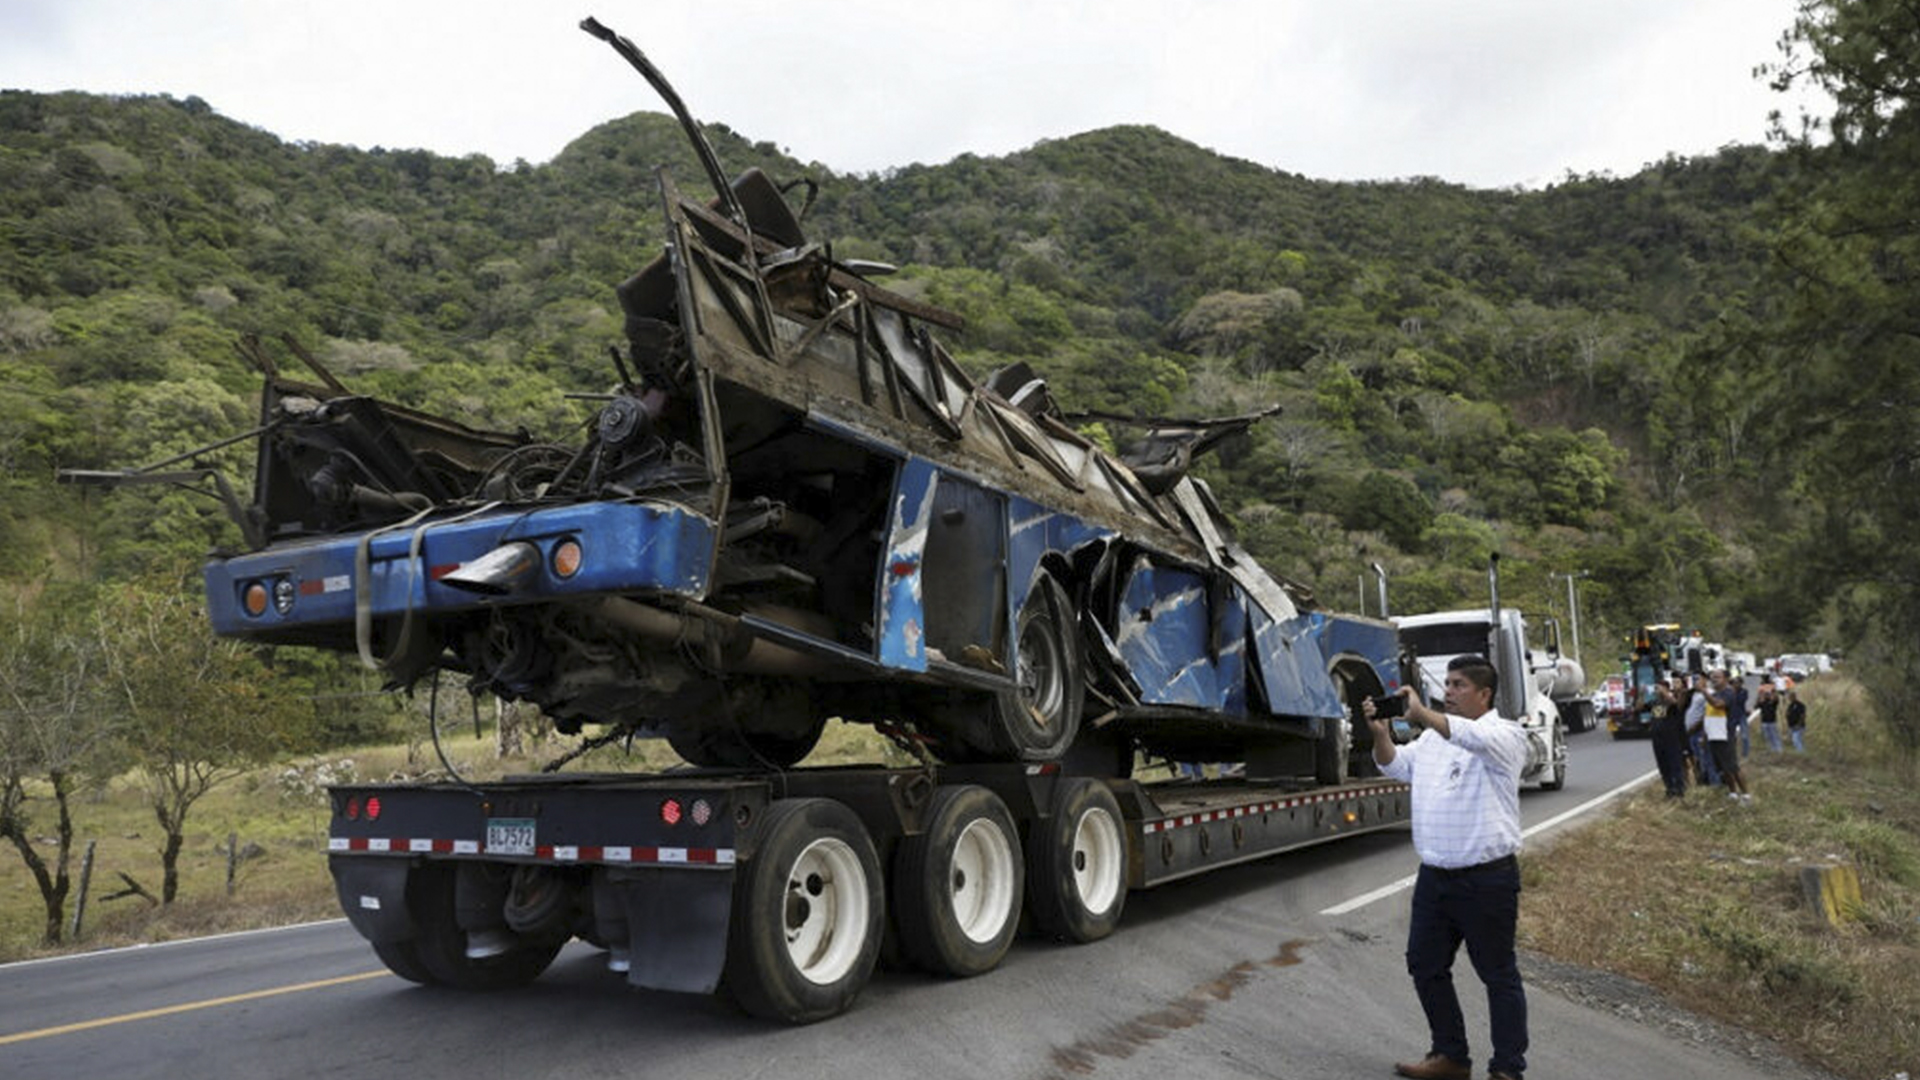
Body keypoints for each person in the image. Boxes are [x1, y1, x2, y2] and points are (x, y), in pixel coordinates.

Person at [1364, 655, 1530, 1080]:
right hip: (1435, 876)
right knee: (1425, 964)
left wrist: (1422, 714)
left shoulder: (1504, 735)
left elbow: (1471, 738)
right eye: (1448, 685)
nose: (1449, 692)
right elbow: (1395, 765)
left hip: (1486, 878)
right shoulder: (1434, 739)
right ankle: (1451, 1056)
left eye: (1458, 686)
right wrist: (1381, 734)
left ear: (1484, 694)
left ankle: (1507, 1067)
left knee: (1497, 973)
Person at [1705, 669, 1751, 802]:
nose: (1714, 679)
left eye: (1718, 677)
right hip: (1714, 734)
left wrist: (1704, 692)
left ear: (1725, 679)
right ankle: (1732, 793)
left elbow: (1718, 705)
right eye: (1712, 677)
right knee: (1724, 768)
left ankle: (1746, 794)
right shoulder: (1715, 693)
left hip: (1725, 733)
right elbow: (1708, 715)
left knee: (1733, 766)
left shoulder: (1728, 692)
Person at [1649, 674, 1688, 797]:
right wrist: (1641, 694)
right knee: (1663, 764)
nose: (1657, 690)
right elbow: (1639, 707)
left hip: (1671, 737)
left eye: (1659, 687)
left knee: (1674, 762)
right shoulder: (1655, 703)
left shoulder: (1671, 700)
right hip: (1657, 738)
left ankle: (1679, 787)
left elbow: (1675, 703)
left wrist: (1665, 692)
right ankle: (1669, 787)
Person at [1684, 674, 1717, 788]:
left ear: (1705, 680)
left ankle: (1713, 783)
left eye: (1698, 679)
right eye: (1694, 680)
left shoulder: (1709, 693)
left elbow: (1707, 713)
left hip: (1701, 731)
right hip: (1691, 733)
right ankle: (1703, 783)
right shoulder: (1694, 694)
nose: (1695, 682)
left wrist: (1697, 727)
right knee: (1698, 759)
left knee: (1706, 759)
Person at [1725, 674, 1751, 759]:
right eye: (1734, 683)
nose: (1736, 685)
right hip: (1732, 715)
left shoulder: (1744, 692)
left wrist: (1734, 692)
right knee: (1731, 735)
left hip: (1741, 715)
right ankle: (1732, 752)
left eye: (1738, 683)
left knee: (1744, 736)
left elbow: (1740, 700)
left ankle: (1745, 753)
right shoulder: (1729, 691)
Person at [1754, 678, 1783, 753]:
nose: (1767, 695)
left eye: (1768, 694)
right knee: (1767, 737)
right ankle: (1771, 750)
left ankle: (1778, 750)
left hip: (1772, 721)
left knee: (1774, 736)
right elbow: (1756, 705)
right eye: (1766, 694)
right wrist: (1760, 693)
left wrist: (1773, 689)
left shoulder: (1773, 702)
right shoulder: (1763, 702)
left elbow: (1775, 698)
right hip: (1764, 721)